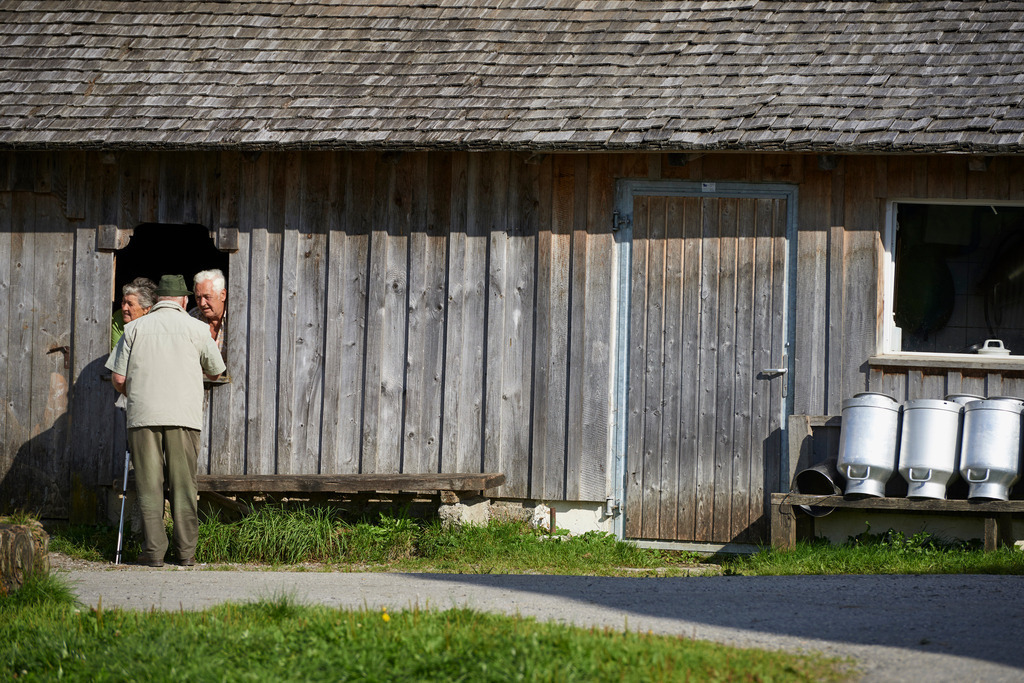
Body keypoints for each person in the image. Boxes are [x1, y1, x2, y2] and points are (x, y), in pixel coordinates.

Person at [106, 274, 226, 567]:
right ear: (184, 300)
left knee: (149, 485)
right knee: (184, 485)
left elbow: (118, 379)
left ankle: (154, 552)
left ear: (158, 299)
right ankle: (186, 553)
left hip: (143, 416)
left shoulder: (133, 328)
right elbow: (215, 371)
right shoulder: (197, 328)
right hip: (183, 417)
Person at [110, 277, 158, 350]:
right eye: (123, 302)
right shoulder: (118, 318)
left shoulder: (157, 322)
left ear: (146, 309)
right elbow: (118, 353)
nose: (124, 308)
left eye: (130, 304)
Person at [189, 269, 227, 355]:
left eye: (207, 297)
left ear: (222, 295)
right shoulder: (193, 317)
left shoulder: (236, 318)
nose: (202, 303)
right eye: (198, 297)